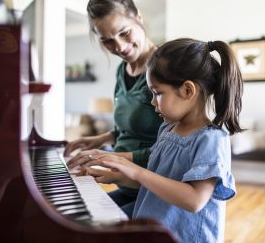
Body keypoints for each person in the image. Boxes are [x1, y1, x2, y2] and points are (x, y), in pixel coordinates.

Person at [84, 38, 244, 243]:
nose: (152, 102)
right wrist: (116, 177)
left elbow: (194, 200)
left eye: (157, 93)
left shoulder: (211, 139)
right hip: (155, 230)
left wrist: (136, 171)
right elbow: (158, 181)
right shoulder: (168, 129)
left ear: (188, 90)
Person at [64, 0, 163, 217]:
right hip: (127, 188)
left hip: (153, 190)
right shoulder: (122, 70)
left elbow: (175, 146)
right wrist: (100, 139)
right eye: (107, 40)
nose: (118, 46)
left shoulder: (163, 70)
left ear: (138, 17)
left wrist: (108, 157)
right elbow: (130, 128)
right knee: (79, 219)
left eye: (124, 33)